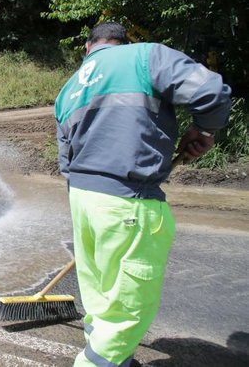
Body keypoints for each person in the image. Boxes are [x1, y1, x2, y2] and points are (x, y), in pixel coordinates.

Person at [54, 22, 232, 367]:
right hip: (129, 201)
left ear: (88, 48)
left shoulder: (70, 87)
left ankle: (114, 357)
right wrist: (205, 129)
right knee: (128, 307)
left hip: (83, 200)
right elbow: (211, 91)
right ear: (121, 43)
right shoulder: (144, 56)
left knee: (102, 297)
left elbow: (66, 161)